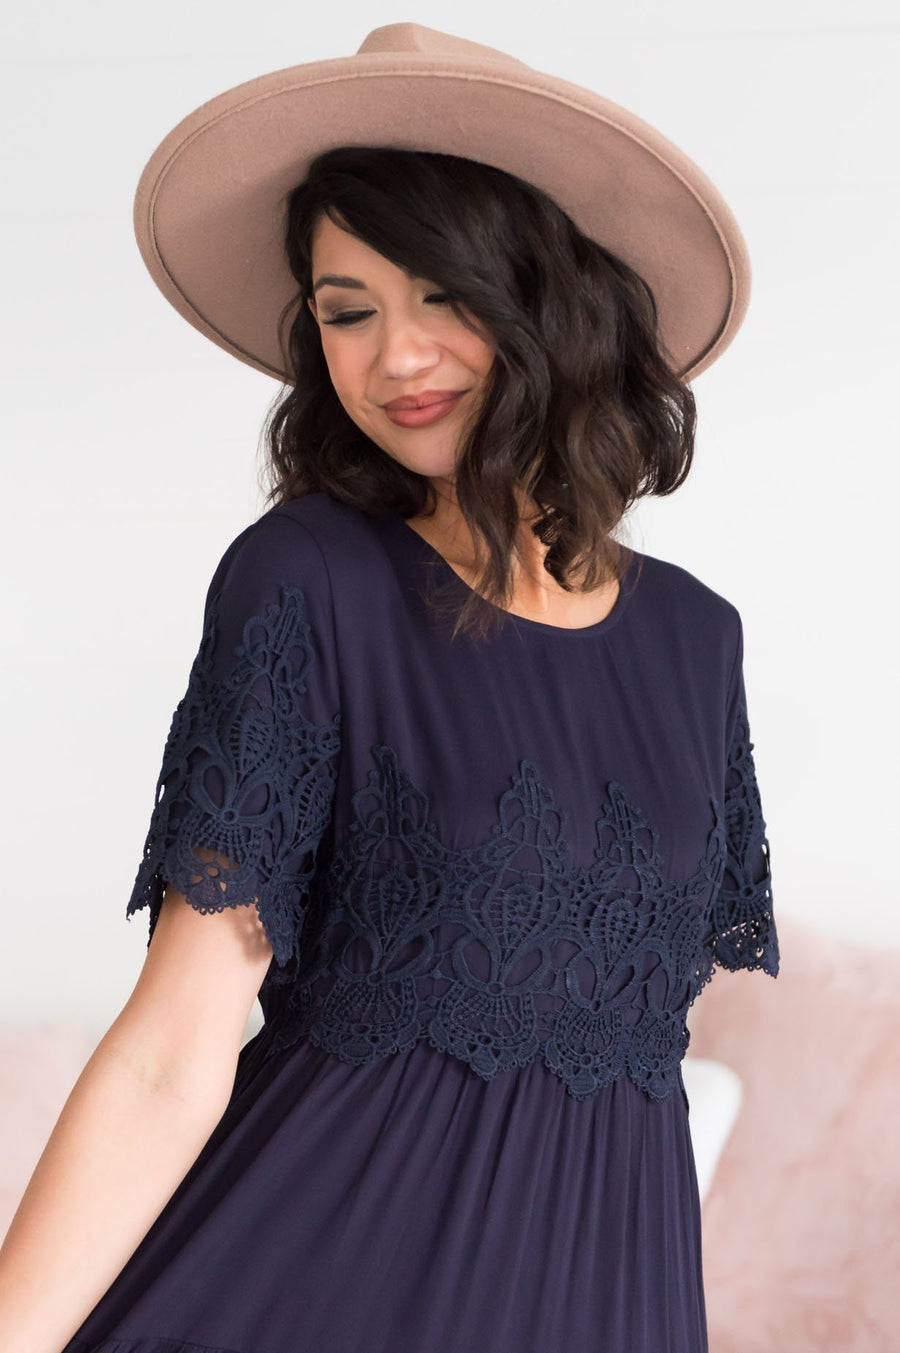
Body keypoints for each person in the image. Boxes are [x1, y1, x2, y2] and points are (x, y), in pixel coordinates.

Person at [0, 23, 780, 1353]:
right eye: (348, 312)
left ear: (553, 301)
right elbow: (174, 1044)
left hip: (609, 1301)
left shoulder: (699, 642)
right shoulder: (307, 580)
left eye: (443, 296)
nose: (396, 358)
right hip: (317, 1287)